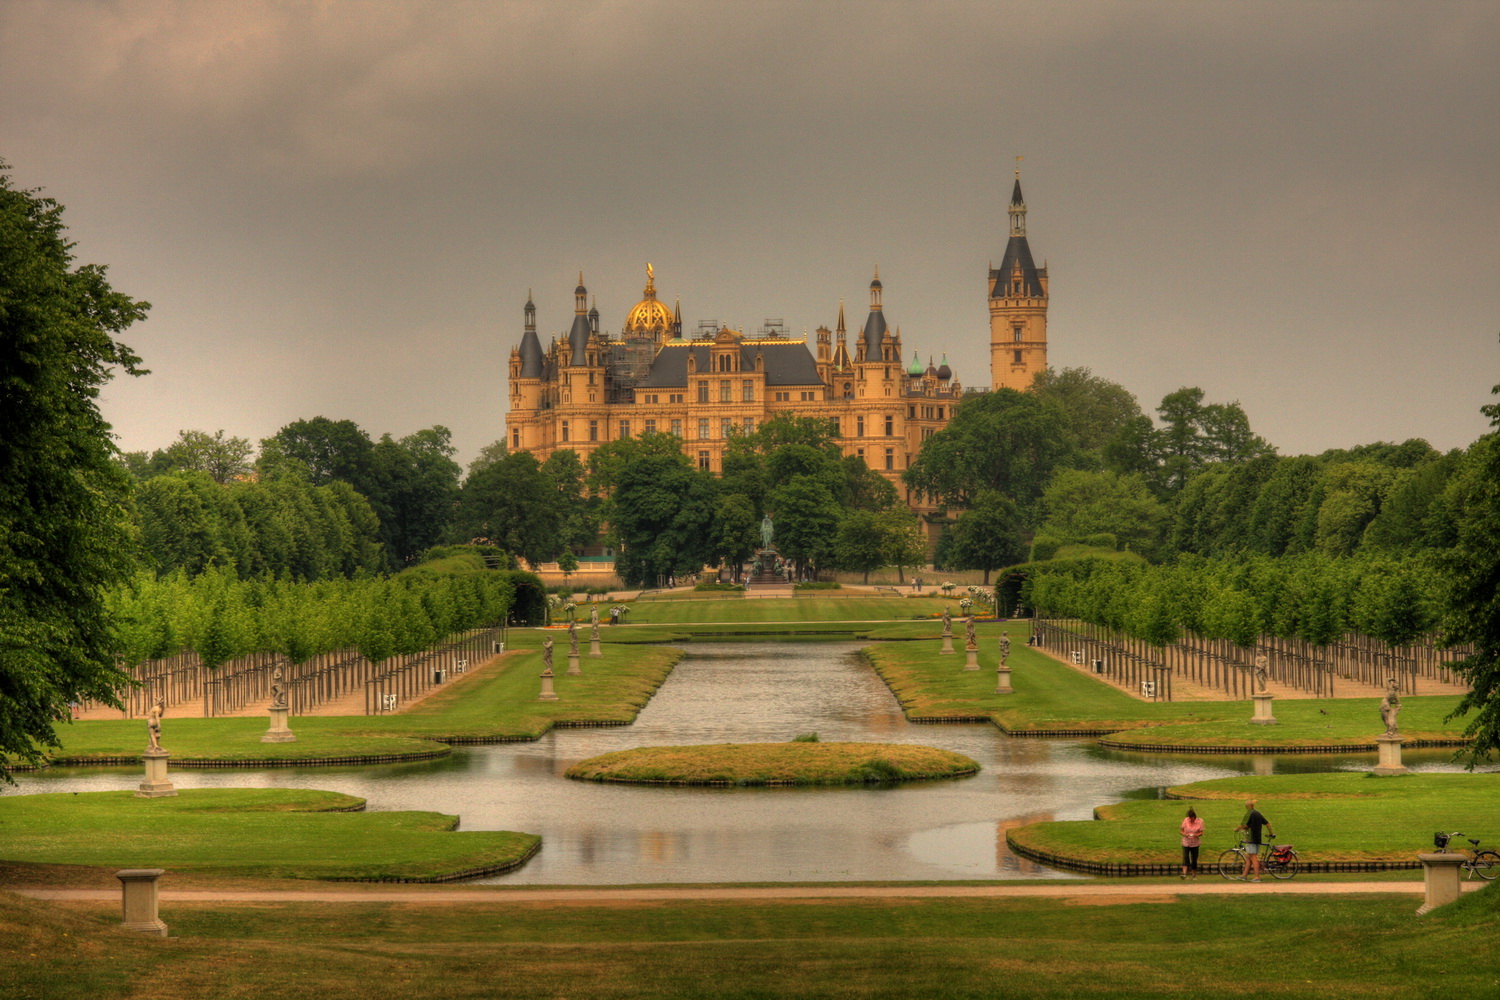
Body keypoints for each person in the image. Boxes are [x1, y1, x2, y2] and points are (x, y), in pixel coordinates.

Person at [1236, 799, 1275, 882]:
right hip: (1257, 838)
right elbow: (1267, 823)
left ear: (1247, 806)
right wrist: (1271, 833)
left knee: (1253, 857)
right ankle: (1244, 875)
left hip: (1251, 838)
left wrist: (1236, 829)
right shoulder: (1258, 813)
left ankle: (1257, 877)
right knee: (1249, 858)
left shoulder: (1249, 814)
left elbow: (1244, 825)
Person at [1179, 807, 1204, 879]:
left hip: (1195, 843)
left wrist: (1196, 835)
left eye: (1192, 818)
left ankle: (1194, 874)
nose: (1190, 820)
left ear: (1194, 817)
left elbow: (1201, 832)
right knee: (1186, 857)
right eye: (1190, 818)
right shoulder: (1186, 820)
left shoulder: (1200, 821)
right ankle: (1184, 874)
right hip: (1186, 842)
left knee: (1194, 858)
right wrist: (1185, 834)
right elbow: (1181, 830)